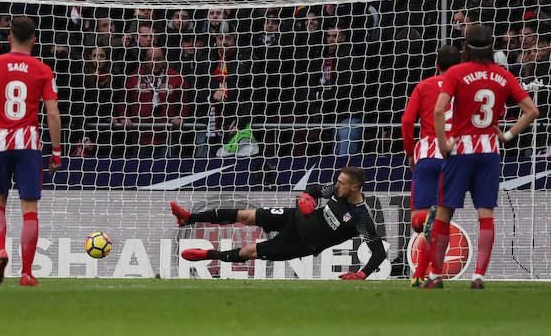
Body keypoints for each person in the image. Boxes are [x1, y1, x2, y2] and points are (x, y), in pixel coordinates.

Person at [428, 25, 539, 289]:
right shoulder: (503, 76)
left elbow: (439, 110)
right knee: (485, 213)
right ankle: (479, 276)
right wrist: (508, 135)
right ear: (491, 46)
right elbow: (532, 111)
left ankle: (436, 275)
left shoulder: (456, 72)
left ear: (465, 46)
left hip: (461, 150)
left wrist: (443, 143)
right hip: (489, 151)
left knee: (444, 213)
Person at [0, 16, 61, 287]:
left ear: (8, 38)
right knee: (29, 209)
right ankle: (27, 273)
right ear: (34, 40)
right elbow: (52, 112)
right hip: (28, 144)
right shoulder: (42, 69)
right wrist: (56, 151)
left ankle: (0, 251)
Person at [174, 167, 386, 280]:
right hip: (295, 217)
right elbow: (314, 188)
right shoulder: (338, 190)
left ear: (355, 188)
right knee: (246, 215)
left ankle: (206, 255)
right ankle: (189, 218)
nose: (337, 185)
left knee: (250, 251)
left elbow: (378, 252)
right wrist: (306, 197)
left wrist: (361, 275)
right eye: (338, 181)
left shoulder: (362, 218)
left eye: (342, 183)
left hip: (300, 242)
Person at [400, 45, 461, 287]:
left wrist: (410, 153)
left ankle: (419, 275)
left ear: (437, 65)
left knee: (420, 222)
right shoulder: (464, 89)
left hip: (426, 156)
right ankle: (431, 274)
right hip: (454, 160)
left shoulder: (424, 86)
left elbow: (406, 120)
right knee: (440, 223)